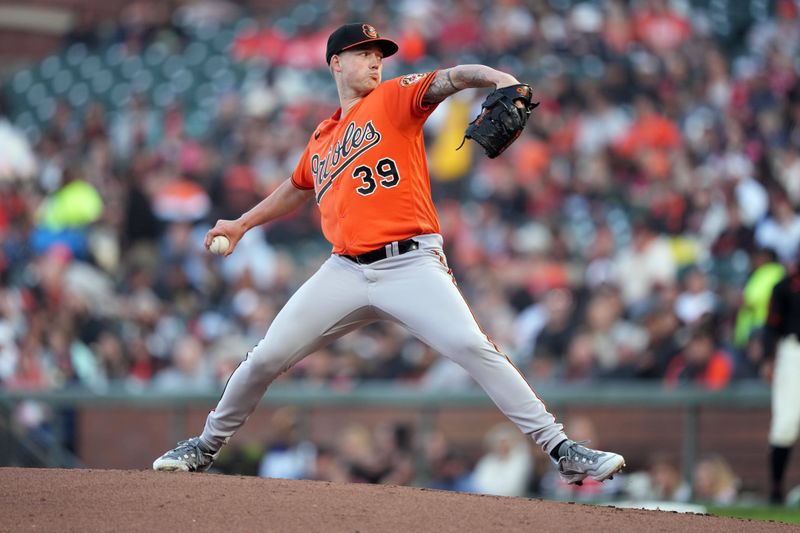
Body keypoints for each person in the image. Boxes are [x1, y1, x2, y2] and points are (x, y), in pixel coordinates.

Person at [152, 22, 625, 486]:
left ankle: (561, 449)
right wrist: (241, 224)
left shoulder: (395, 96)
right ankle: (205, 445)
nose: (375, 60)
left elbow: (453, 77)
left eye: (379, 53)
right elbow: (297, 187)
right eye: (363, 52)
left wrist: (500, 79)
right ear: (336, 63)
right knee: (263, 357)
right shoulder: (321, 137)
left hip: (411, 264)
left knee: (472, 346)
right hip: (343, 270)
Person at [762, 254, 800, 504]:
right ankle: (776, 489)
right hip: (793, 351)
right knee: (785, 423)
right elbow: (771, 325)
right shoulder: (786, 286)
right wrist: (768, 358)